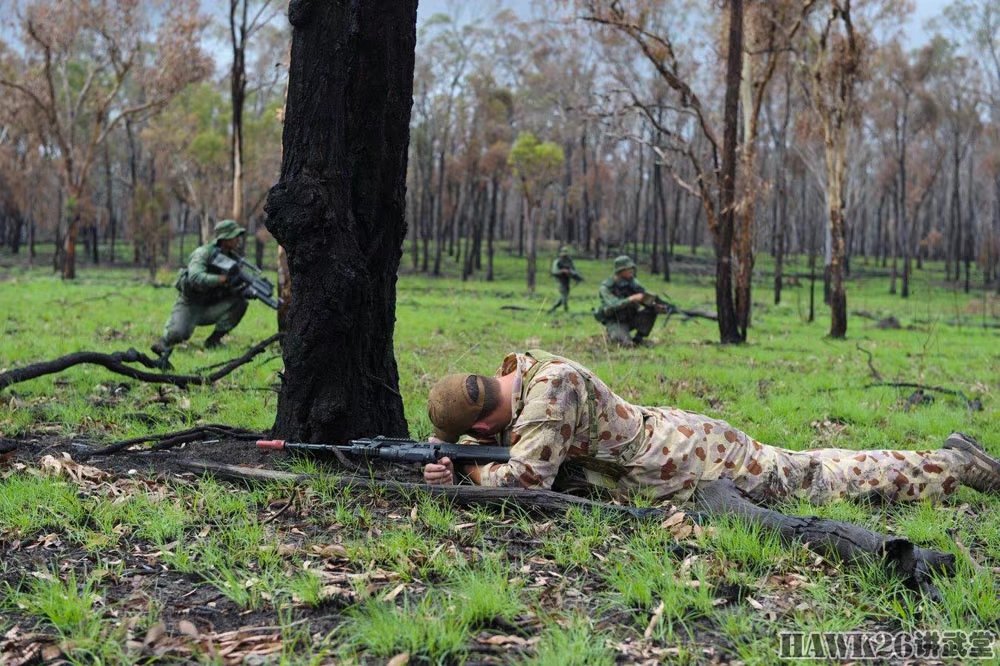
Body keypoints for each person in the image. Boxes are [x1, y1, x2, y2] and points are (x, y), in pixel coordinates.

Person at [422, 350, 999, 505]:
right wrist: (475, 452)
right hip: (684, 443)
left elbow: (526, 482)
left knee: (822, 480)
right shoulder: (523, 371)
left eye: (479, 433)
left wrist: (470, 470)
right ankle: (944, 458)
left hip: (694, 461)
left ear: (486, 416)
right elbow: (518, 440)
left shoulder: (549, 396)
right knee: (816, 463)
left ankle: (957, 468)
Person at [151, 219, 249, 366]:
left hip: (211, 305)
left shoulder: (233, 259)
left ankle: (213, 341)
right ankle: (164, 343)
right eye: (235, 236)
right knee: (177, 335)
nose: (238, 240)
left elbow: (235, 285)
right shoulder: (203, 253)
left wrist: (242, 289)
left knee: (240, 302)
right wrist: (221, 279)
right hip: (190, 303)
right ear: (225, 238)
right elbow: (195, 277)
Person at [595, 255, 659, 346]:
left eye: (632, 268)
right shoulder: (606, 287)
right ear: (620, 271)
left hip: (631, 318)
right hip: (615, 321)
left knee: (651, 310)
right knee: (624, 343)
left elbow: (645, 296)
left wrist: (655, 305)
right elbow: (613, 305)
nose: (631, 271)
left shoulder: (633, 283)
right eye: (628, 268)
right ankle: (616, 335)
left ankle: (639, 338)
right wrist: (631, 299)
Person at [548, 246, 583, 314]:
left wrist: (578, 278)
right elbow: (554, 272)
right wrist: (563, 271)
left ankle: (553, 308)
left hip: (566, 280)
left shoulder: (569, 261)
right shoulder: (557, 261)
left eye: (566, 253)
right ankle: (566, 309)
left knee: (564, 296)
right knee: (564, 295)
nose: (564, 254)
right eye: (563, 253)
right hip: (560, 280)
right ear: (560, 253)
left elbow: (573, 270)